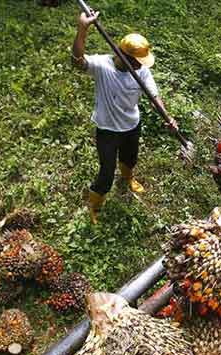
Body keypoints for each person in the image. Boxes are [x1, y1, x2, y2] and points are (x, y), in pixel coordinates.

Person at [71, 11, 179, 224]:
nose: (142, 65)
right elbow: (76, 61)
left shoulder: (142, 72)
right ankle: (95, 204)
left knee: (130, 158)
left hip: (131, 125)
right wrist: (83, 28)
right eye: (137, 61)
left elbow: (154, 97)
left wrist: (168, 118)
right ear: (123, 56)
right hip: (108, 130)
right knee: (106, 172)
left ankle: (129, 178)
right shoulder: (102, 66)